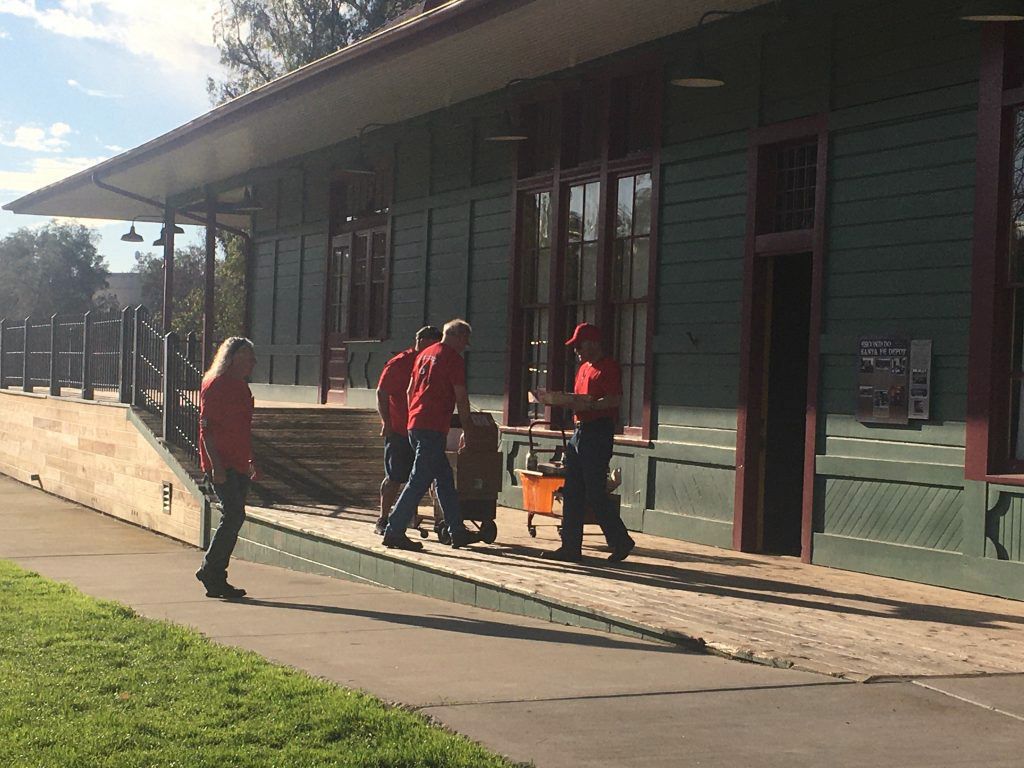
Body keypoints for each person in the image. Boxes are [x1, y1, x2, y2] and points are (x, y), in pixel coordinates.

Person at [536, 323, 635, 563]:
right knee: (573, 490)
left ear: (593, 344)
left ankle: (620, 540)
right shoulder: (583, 369)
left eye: (579, 346)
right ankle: (570, 546)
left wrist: (588, 404)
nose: (576, 351)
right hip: (579, 431)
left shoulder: (608, 368)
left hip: (598, 430)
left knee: (594, 491)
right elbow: (579, 399)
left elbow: (614, 400)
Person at [382, 318, 481, 551]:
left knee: (444, 479)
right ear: (456, 336)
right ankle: (394, 529)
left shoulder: (424, 355)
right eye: (464, 340)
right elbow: (461, 397)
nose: (465, 346)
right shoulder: (452, 359)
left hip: (415, 423)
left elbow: (409, 391)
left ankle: (457, 530)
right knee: (418, 480)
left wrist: (412, 418)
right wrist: (468, 428)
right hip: (432, 427)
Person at [195, 337, 258, 598]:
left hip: (239, 462)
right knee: (233, 515)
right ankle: (212, 571)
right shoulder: (216, 385)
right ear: (230, 357)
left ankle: (214, 573)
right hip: (221, 464)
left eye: (251, 356)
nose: (251, 361)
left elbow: (243, 428)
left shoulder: (241, 388)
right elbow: (206, 429)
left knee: (234, 517)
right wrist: (216, 466)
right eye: (244, 355)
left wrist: (252, 459)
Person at [374, 325, 443, 535]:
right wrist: (386, 421)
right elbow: (382, 392)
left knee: (431, 475)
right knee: (395, 476)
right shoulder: (400, 362)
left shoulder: (436, 362)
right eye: (433, 343)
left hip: (426, 428)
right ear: (421, 341)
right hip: (400, 429)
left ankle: (438, 520)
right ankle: (383, 518)